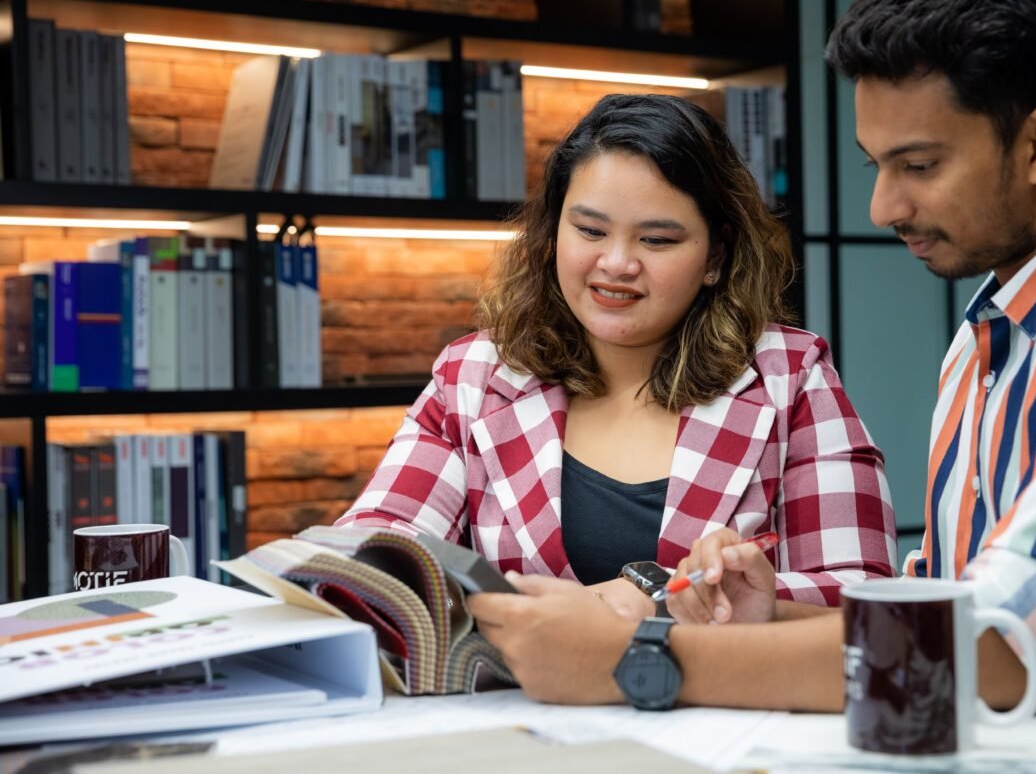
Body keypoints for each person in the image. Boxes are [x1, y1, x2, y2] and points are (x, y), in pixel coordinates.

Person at [469, 0, 1036, 760]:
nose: (883, 204)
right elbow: (933, 613)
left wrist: (631, 659)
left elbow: (994, 647)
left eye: (918, 165)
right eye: (877, 165)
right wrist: (769, 615)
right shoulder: (986, 335)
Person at [336, 93, 898, 618]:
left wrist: (654, 597)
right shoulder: (476, 377)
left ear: (716, 256)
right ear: (553, 232)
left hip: (714, 710)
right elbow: (377, 552)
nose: (617, 263)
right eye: (590, 230)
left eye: (656, 240)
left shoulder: (788, 377)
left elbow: (862, 593)